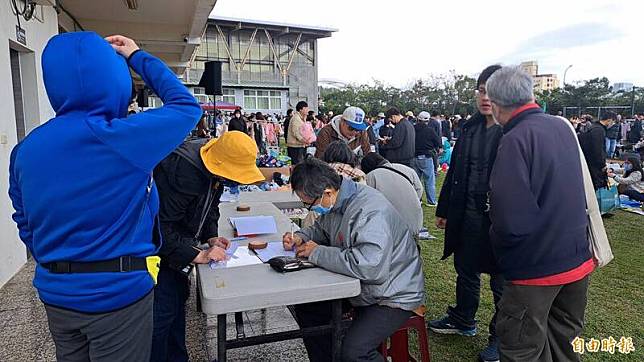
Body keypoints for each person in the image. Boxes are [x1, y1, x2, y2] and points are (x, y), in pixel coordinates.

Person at [8, 33, 202, 361]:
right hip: (118, 294)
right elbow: (185, 107)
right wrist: (137, 55)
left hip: (57, 294)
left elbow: (24, 220)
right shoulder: (125, 138)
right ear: (114, 80)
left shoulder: (25, 150)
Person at [486, 66, 594, 362]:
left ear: (495, 105)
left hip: (535, 269)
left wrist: (501, 250)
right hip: (575, 259)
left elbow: (509, 218)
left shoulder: (515, 138)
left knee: (522, 348)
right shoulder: (561, 126)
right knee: (563, 344)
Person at [283, 158, 425, 362]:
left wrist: (317, 253)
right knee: (309, 308)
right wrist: (302, 236)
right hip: (364, 288)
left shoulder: (369, 210)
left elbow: (370, 267)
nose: (309, 209)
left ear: (327, 193)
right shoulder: (337, 203)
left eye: (309, 204)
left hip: (393, 294)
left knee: (354, 352)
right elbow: (322, 229)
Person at [151, 131, 264, 361]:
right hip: (157, 257)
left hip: (179, 248)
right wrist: (199, 254)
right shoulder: (183, 171)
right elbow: (159, 229)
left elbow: (211, 206)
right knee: (161, 317)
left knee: (176, 309)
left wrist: (211, 235)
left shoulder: (214, 163)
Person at [428, 65, 505, 362]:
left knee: (501, 281)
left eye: (493, 91)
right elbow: (455, 172)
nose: (486, 97)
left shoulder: (512, 129)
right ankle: (463, 319)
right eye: (482, 90)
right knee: (466, 268)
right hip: (467, 212)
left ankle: (501, 337)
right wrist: (445, 208)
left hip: (499, 218)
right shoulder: (470, 127)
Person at [361, 153, 423, 236]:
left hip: (390, 228)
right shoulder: (407, 169)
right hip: (416, 222)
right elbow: (419, 190)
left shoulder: (371, 176)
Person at [412, 111, 442, 206]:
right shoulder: (430, 130)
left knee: (416, 181)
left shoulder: (412, 129)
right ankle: (431, 201)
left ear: (418, 119)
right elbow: (438, 142)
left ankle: (417, 199)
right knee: (429, 180)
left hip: (414, 157)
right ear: (428, 120)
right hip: (426, 157)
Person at [578, 113, 610, 191]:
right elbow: (598, 149)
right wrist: (602, 164)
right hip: (595, 164)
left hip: (588, 159)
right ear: (610, 120)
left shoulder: (594, 127)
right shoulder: (598, 130)